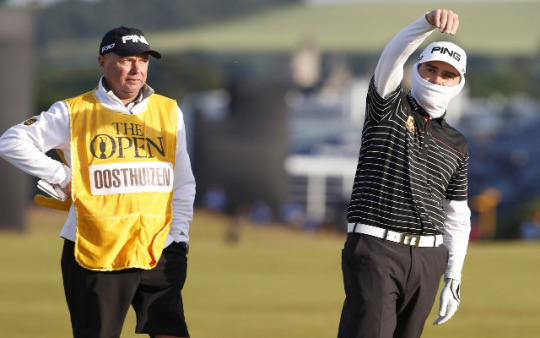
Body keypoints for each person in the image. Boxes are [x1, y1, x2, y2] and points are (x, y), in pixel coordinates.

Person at [0, 26, 196, 338]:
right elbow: (11, 141)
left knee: (171, 332)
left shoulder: (169, 110)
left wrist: (179, 236)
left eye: (143, 60)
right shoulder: (74, 111)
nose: (136, 69)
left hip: (157, 245)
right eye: (126, 60)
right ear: (102, 62)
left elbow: (182, 180)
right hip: (96, 248)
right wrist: (62, 176)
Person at [338, 9, 471, 338]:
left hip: (429, 259)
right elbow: (392, 55)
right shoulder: (388, 105)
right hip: (376, 249)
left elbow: (456, 215)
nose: (437, 79)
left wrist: (453, 275)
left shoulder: (457, 143)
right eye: (430, 69)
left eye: (447, 74)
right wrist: (426, 23)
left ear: (458, 82)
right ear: (417, 70)